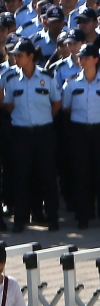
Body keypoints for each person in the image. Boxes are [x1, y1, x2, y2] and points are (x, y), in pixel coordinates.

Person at [1, 38, 61, 233]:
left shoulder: (47, 76)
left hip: (44, 132)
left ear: (31, 57)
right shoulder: (10, 79)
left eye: (20, 55)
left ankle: (52, 218)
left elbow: (56, 102)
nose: (16, 58)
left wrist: (43, 119)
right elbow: (8, 104)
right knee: (21, 177)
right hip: (21, 133)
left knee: (47, 176)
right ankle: (20, 219)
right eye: (14, 55)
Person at [62, 41, 100, 230]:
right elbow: (67, 107)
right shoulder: (70, 84)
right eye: (80, 57)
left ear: (96, 59)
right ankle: (83, 216)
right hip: (79, 132)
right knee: (81, 175)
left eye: (86, 57)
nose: (82, 60)